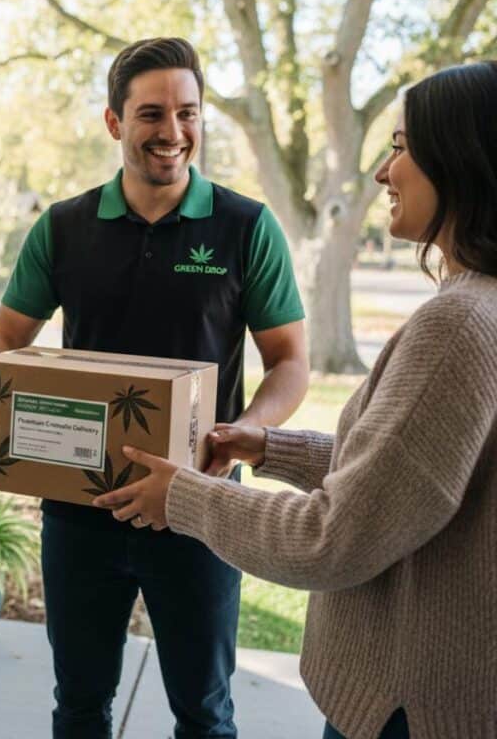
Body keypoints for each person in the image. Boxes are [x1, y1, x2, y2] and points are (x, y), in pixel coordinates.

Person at [92, 61, 497, 739]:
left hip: (411, 707)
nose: (382, 172)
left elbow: (332, 539)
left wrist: (184, 497)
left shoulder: (456, 324)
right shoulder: (478, 308)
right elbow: (410, 475)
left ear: (457, 158)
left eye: (398, 148)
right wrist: (270, 446)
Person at [0, 37, 310, 738]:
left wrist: (240, 435)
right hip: (81, 513)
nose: (173, 132)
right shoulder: (63, 229)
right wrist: (5, 421)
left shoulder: (245, 227)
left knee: (205, 711)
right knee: (79, 704)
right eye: (152, 113)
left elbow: (289, 361)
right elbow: (4, 346)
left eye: (188, 113)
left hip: (201, 509)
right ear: (114, 122)